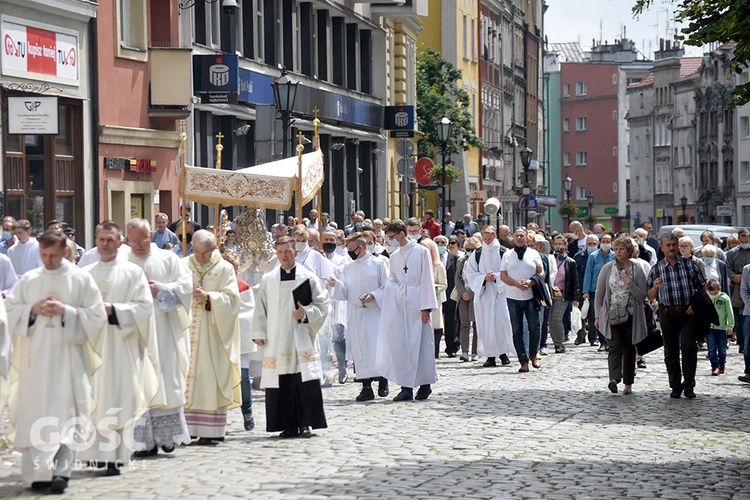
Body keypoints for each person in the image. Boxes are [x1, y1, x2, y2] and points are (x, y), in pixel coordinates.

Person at [5, 230, 107, 493]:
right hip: (36, 361)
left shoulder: (81, 279)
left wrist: (67, 312)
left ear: (64, 252)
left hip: (69, 360)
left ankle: (61, 472)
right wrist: (32, 310)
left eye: (53, 255)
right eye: (44, 255)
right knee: (36, 413)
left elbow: (97, 318)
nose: (48, 261)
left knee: (66, 415)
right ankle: (38, 474)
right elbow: (10, 311)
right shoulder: (29, 280)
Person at [80, 221, 161, 476]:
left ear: (119, 242)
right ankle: (93, 455)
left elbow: (145, 308)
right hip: (93, 347)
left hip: (122, 347)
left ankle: (116, 457)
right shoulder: (86, 273)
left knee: (117, 399)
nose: (105, 244)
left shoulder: (132, 272)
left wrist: (114, 310)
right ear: (96, 240)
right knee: (93, 399)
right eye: (101, 239)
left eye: (110, 240)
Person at [126, 219, 193, 457]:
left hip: (164, 331)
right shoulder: (123, 262)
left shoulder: (168, 259)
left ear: (151, 234)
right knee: (140, 384)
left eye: (142, 239)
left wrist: (162, 290)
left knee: (166, 379)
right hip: (136, 334)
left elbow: (187, 287)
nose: (138, 245)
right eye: (133, 240)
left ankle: (168, 437)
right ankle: (144, 442)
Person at [252, 236, 330, 438]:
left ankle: (305, 423)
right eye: (279, 252)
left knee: (302, 380)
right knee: (282, 382)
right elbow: (260, 308)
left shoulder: (308, 278)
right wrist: (258, 332)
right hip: (276, 338)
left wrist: (304, 314)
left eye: (287, 252)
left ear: (295, 252)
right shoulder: (268, 279)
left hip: (300, 336)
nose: (284, 256)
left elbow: (322, 305)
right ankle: (286, 424)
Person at [182, 230, 241, 443]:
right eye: (196, 252)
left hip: (213, 333)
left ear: (214, 248)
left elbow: (233, 301)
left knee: (208, 378)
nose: (199, 257)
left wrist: (210, 298)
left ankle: (210, 431)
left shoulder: (224, 268)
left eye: (204, 253)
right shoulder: (183, 265)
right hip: (186, 331)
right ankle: (186, 429)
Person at [376, 220, 438, 401]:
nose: (390, 241)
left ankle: (425, 385)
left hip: (418, 300)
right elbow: (393, 278)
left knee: (422, 344)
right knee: (402, 344)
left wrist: (426, 307)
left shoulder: (421, 252)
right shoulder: (394, 256)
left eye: (392, 237)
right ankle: (406, 387)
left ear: (402, 234)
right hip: (400, 304)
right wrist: (393, 289)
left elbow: (427, 278)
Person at [329, 234, 389, 401]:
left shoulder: (378, 264)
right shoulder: (348, 267)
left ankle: (383, 380)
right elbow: (345, 291)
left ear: (360, 248)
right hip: (355, 312)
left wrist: (374, 295)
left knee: (376, 347)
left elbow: (387, 286)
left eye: (351, 249)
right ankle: (366, 386)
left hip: (374, 312)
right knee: (360, 348)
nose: (349, 253)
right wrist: (337, 285)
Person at [647, 232, 707, 399]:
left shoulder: (689, 265)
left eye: (675, 245)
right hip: (667, 313)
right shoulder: (657, 269)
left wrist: (694, 305)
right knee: (670, 351)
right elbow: (649, 295)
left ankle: (689, 385)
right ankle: (675, 385)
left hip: (687, 313)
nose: (672, 248)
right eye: (669, 245)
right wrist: (655, 288)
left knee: (688, 347)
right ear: (662, 248)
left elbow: (702, 288)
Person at [594, 236, 648, 395]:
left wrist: (629, 282)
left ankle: (628, 384)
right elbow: (599, 294)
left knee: (629, 349)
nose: (617, 252)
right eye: (615, 249)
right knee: (614, 347)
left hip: (631, 316)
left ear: (629, 251)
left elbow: (641, 295)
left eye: (621, 249)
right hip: (612, 315)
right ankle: (614, 379)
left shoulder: (637, 269)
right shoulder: (607, 268)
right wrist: (597, 315)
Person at [466, 226, 513, 367]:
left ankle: (504, 353)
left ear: (495, 236)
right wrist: (484, 278)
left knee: (502, 322)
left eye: (489, 238)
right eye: (484, 239)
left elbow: (510, 270)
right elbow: (471, 273)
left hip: (501, 292)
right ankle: (490, 355)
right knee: (486, 324)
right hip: (485, 293)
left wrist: (497, 276)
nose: (487, 241)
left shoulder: (504, 252)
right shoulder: (477, 253)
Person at [500, 227, 544, 372]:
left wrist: (531, 282)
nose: (519, 238)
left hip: (531, 296)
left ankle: (533, 354)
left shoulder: (534, 253)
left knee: (534, 328)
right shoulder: (507, 255)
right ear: (513, 238)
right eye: (517, 235)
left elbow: (541, 272)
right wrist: (515, 284)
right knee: (517, 330)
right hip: (513, 296)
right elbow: (503, 276)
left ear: (526, 238)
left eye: (522, 236)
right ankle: (523, 361)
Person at [319, 229, 349, 385]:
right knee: (323, 337)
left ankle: (342, 367)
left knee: (338, 336)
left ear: (337, 242)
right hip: (322, 300)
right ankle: (324, 371)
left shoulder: (342, 258)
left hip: (337, 301)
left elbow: (340, 274)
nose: (329, 242)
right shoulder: (316, 257)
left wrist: (324, 261)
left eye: (332, 240)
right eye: (326, 239)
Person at [583, 232, 615, 350]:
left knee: (611, 316)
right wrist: (585, 291)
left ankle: (610, 340)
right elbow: (588, 274)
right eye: (604, 241)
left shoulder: (614, 256)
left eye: (608, 241)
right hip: (594, 290)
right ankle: (602, 341)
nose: (605, 244)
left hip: (611, 290)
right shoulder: (593, 256)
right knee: (599, 315)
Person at [549, 235, 579, 353]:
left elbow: (575, 280)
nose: (558, 246)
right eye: (556, 244)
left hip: (562, 294)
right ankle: (551, 341)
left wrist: (576, 298)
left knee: (556, 318)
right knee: (550, 319)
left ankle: (559, 343)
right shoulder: (550, 259)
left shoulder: (570, 262)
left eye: (561, 244)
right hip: (550, 292)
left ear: (565, 245)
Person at [725, 228, 750, 355]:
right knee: (738, 318)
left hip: (749, 285)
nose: (745, 243)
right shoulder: (731, 253)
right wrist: (734, 276)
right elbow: (727, 267)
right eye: (742, 241)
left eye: (747, 241)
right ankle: (741, 343)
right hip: (736, 287)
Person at [421, 238, 447, 359]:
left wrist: (432, 288)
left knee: (435, 325)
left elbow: (443, 284)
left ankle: (435, 351)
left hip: (435, 299)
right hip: (420, 299)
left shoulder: (438, 266)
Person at [455, 237, 480, 361]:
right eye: (468, 249)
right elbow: (457, 278)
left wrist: (471, 292)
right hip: (463, 295)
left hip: (476, 295)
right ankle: (464, 351)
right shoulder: (461, 260)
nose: (470, 251)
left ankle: (475, 351)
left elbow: (480, 278)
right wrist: (463, 292)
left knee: (476, 324)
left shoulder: (480, 261)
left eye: (473, 249)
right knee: (464, 323)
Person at [573, 235, 599, 345]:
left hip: (594, 290)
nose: (592, 246)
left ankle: (593, 338)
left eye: (594, 244)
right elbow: (575, 274)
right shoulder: (579, 256)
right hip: (580, 289)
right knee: (580, 315)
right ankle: (580, 336)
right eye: (590, 244)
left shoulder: (601, 256)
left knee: (593, 315)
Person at [437, 235, 460, 357]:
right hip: (436, 294)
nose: (440, 244)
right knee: (436, 322)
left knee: (451, 322)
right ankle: (435, 348)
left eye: (443, 242)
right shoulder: (430, 257)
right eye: (437, 242)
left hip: (450, 294)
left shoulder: (455, 258)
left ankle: (452, 347)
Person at [706, 279, 733, 376]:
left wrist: (730, 326)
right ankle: (715, 366)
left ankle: (722, 364)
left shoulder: (725, 299)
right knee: (711, 349)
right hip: (710, 328)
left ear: (720, 289)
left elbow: (730, 313)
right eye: (711, 293)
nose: (713, 295)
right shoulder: (707, 298)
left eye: (715, 293)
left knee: (722, 348)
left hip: (721, 328)